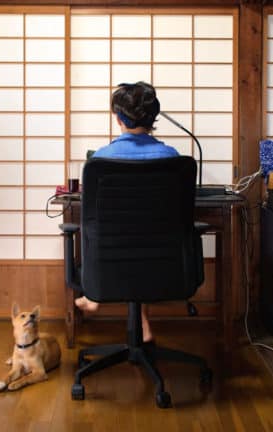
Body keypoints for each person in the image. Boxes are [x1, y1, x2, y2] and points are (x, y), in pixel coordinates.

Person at [74, 81, 179, 343]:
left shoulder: (101, 159)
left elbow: (91, 216)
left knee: (109, 236)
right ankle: (142, 324)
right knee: (143, 243)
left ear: (118, 118)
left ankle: (92, 298)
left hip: (110, 261)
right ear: (153, 118)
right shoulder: (171, 158)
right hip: (162, 262)